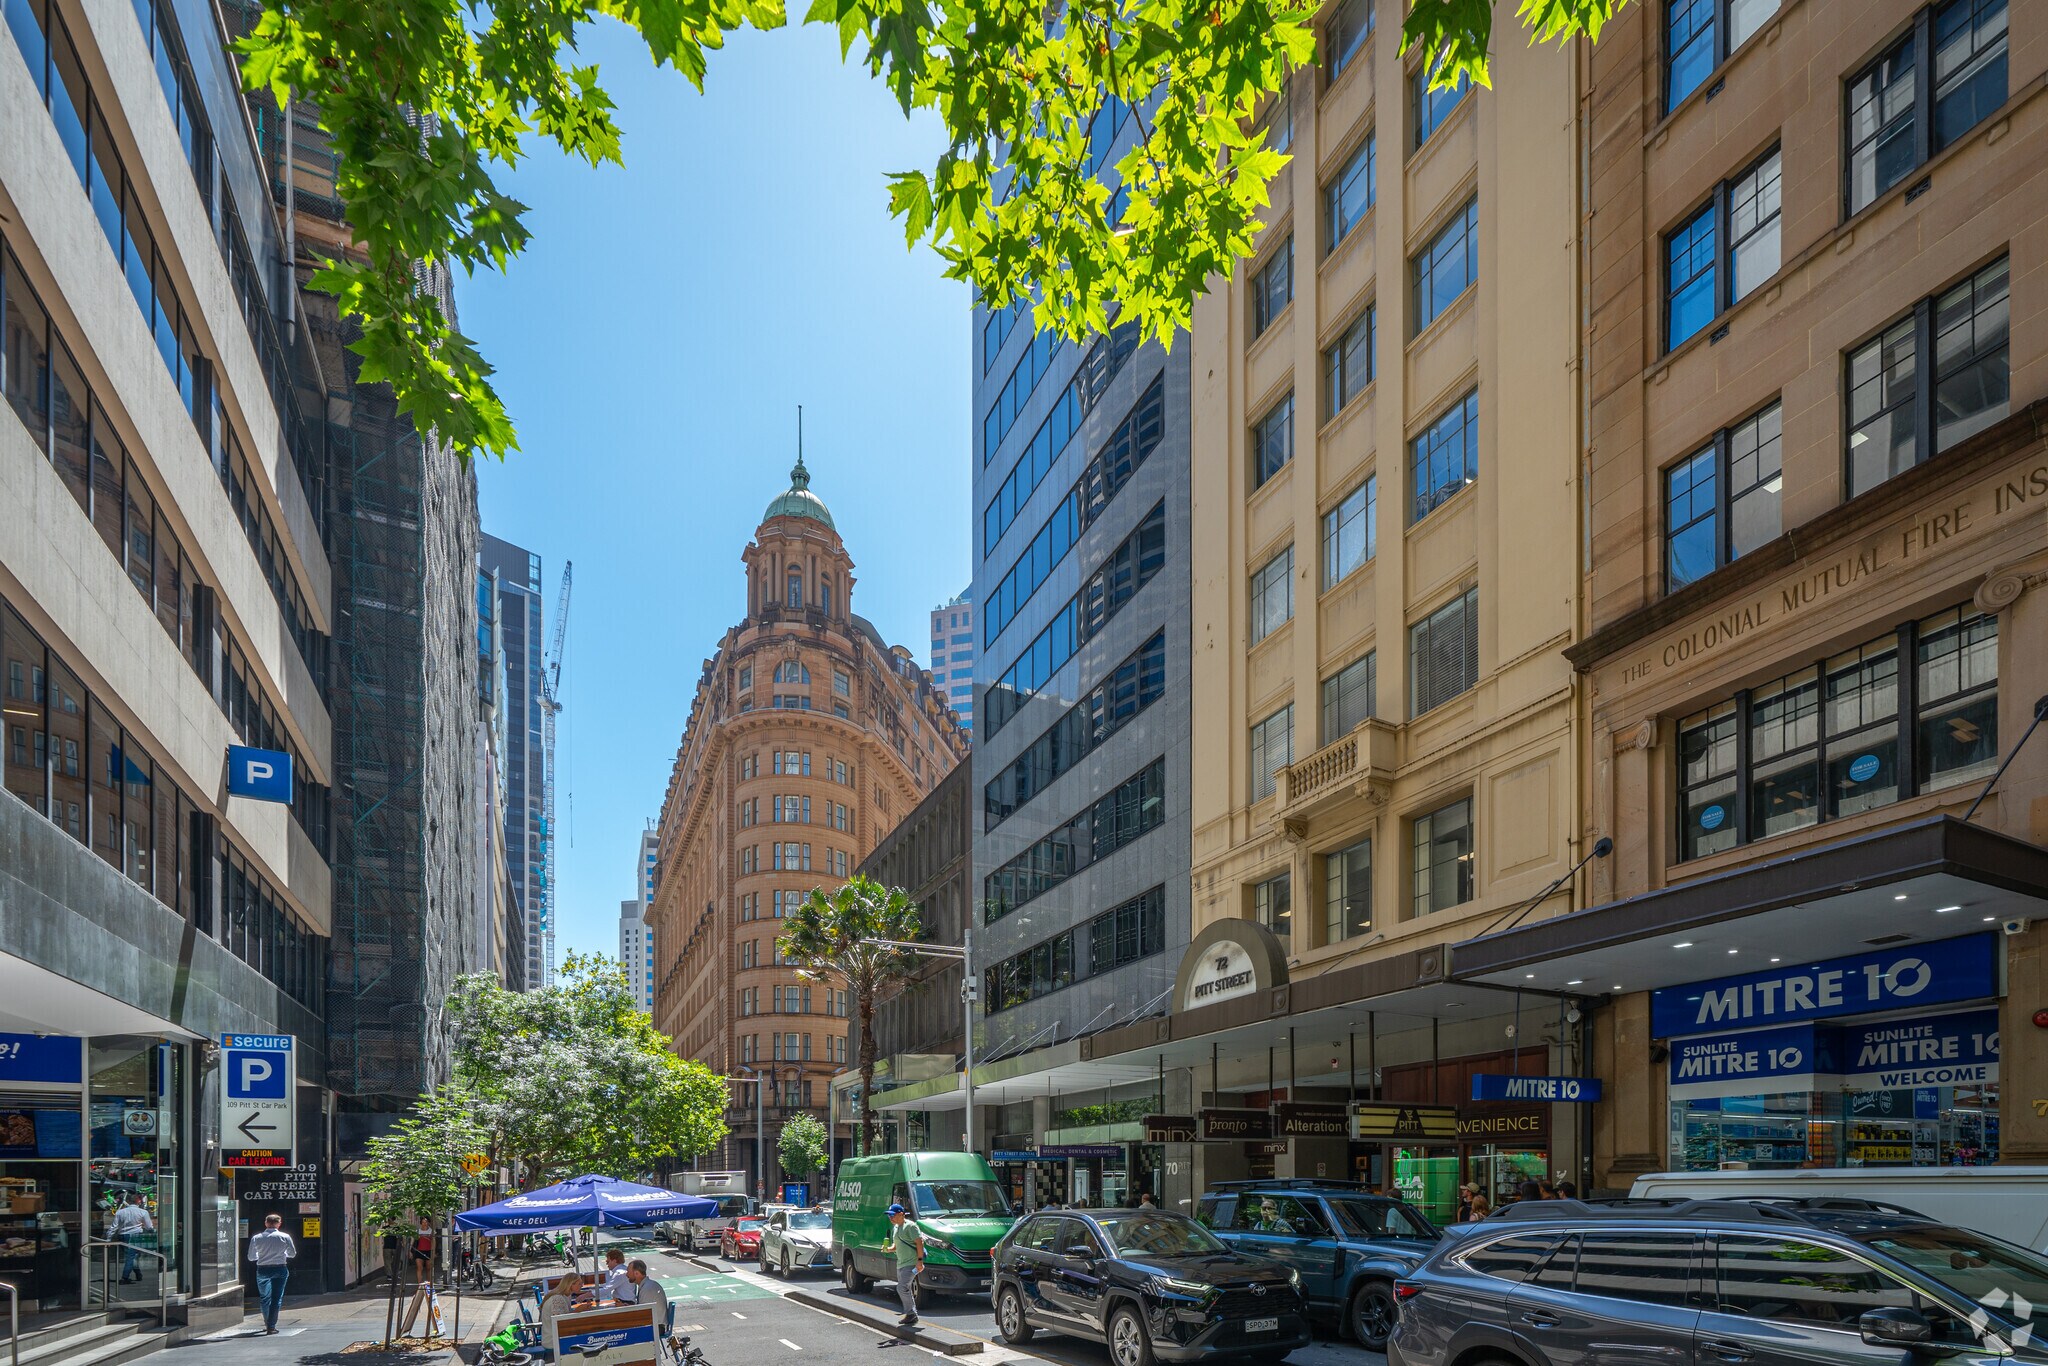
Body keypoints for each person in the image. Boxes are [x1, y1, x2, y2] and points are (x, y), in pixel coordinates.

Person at [247, 1213, 297, 1335]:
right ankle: (271, 1326)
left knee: (265, 1298)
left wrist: (262, 1255)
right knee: (276, 1298)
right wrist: (282, 1254)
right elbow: (292, 1254)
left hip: (262, 1269)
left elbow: (251, 1257)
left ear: (266, 1223)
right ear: (279, 1224)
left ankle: (267, 1323)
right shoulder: (285, 1236)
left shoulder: (256, 1238)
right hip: (280, 1268)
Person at [885, 1203, 925, 1327]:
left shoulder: (911, 1226)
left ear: (901, 1214)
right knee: (905, 1288)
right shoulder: (896, 1228)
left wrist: (920, 1261)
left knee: (902, 1287)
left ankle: (911, 1314)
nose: (891, 1218)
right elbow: (896, 1246)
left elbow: (920, 1243)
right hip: (901, 1264)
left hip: (912, 1264)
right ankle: (911, 1314)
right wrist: (888, 1249)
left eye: (893, 1215)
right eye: (889, 1216)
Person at [111, 1193, 154, 1283]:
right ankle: (125, 1277)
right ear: (138, 1201)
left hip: (122, 1235)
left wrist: (108, 1238)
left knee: (131, 1256)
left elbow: (114, 1227)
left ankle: (138, 1274)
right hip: (135, 1235)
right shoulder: (143, 1212)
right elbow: (149, 1227)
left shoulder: (120, 1212)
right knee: (131, 1257)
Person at [622, 1259, 669, 1333]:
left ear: (636, 1273)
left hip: (655, 1328)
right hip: (655, 1325)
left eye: (628, 1271)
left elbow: (641, 1315)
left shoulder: (647, 1288)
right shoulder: (647, 1285)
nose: (627, 1274)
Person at [412, 1217, 435, 1287]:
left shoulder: (431, 1231)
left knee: (428, 1268)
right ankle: (420, 1285)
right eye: (423, 1222)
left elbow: (434, 1242)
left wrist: (433, 1252)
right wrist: (410, 1250)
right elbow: (413, 1241)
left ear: (428, 1223)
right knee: (419, 1268)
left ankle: (428, 1284)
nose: (425, 1224)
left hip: (428, 1251)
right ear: (421, 1223)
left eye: (426, 1222)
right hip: (419, 1251)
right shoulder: (418, 1231)